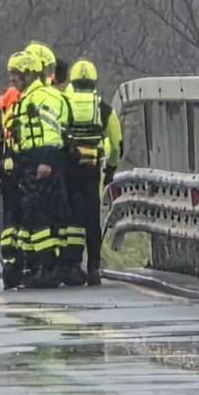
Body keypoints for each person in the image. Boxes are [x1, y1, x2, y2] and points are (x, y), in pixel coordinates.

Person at [11, 46, 70, 288]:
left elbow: (51, 133)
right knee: (35, 218)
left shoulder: (41, 97)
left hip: (42, 161)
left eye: (15, 74)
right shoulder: (29, 97)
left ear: (29, 73)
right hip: (32, 161)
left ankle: (46, 269)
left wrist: (45, 161)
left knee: (40, 219)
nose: (12, 79)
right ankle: (38, 267)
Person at [61, 59, 123, 286]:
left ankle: (72, 265)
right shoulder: (103, 109)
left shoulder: (63, 104)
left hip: (68, 167)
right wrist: (111, 169)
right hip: (92, 169)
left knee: (70, 218)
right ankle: (94, 268)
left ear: (73, 82)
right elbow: (116, 143)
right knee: (91, 219)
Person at [0, 52, 31, 289]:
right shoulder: (29, 102)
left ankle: (11, 268)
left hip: (6, 169)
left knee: (10, 220)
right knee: (26, 220)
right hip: (24, 167)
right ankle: (26, 266)